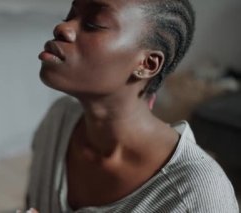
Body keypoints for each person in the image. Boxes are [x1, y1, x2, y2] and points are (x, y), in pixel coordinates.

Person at [25, 0, 239, 212]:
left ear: (147, 64)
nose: (62, 27)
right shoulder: (59, 119)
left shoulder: (197, 195)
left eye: (94, 23)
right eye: (70, 15)